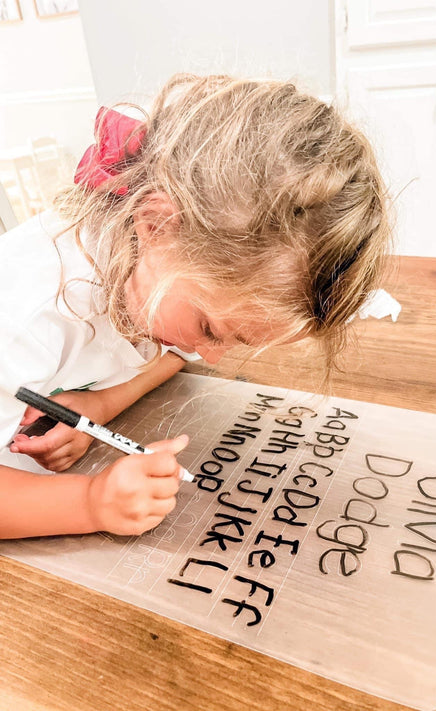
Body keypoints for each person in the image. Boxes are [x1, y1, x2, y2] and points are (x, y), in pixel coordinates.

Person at [0, 73, 391, 539]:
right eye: (210, 329)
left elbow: (175, 355)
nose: (210, 356)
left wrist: (100, 405)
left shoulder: (166, 271)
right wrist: (90, 503)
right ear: (155, 225)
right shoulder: (25, 315)